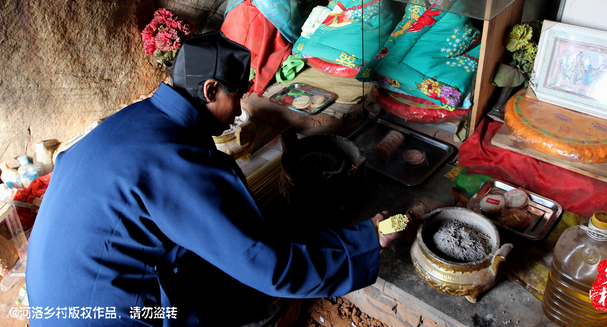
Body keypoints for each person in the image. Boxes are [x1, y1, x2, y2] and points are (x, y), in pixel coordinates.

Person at [26, 31, 399, 326]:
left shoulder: (139, 117)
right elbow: (269, 265)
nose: (238, 111)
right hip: (110, 317)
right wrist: (366, 240)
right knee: (239, 290)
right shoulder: (177, 163)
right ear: (210, 90)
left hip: (52, 303)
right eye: (235, 98)